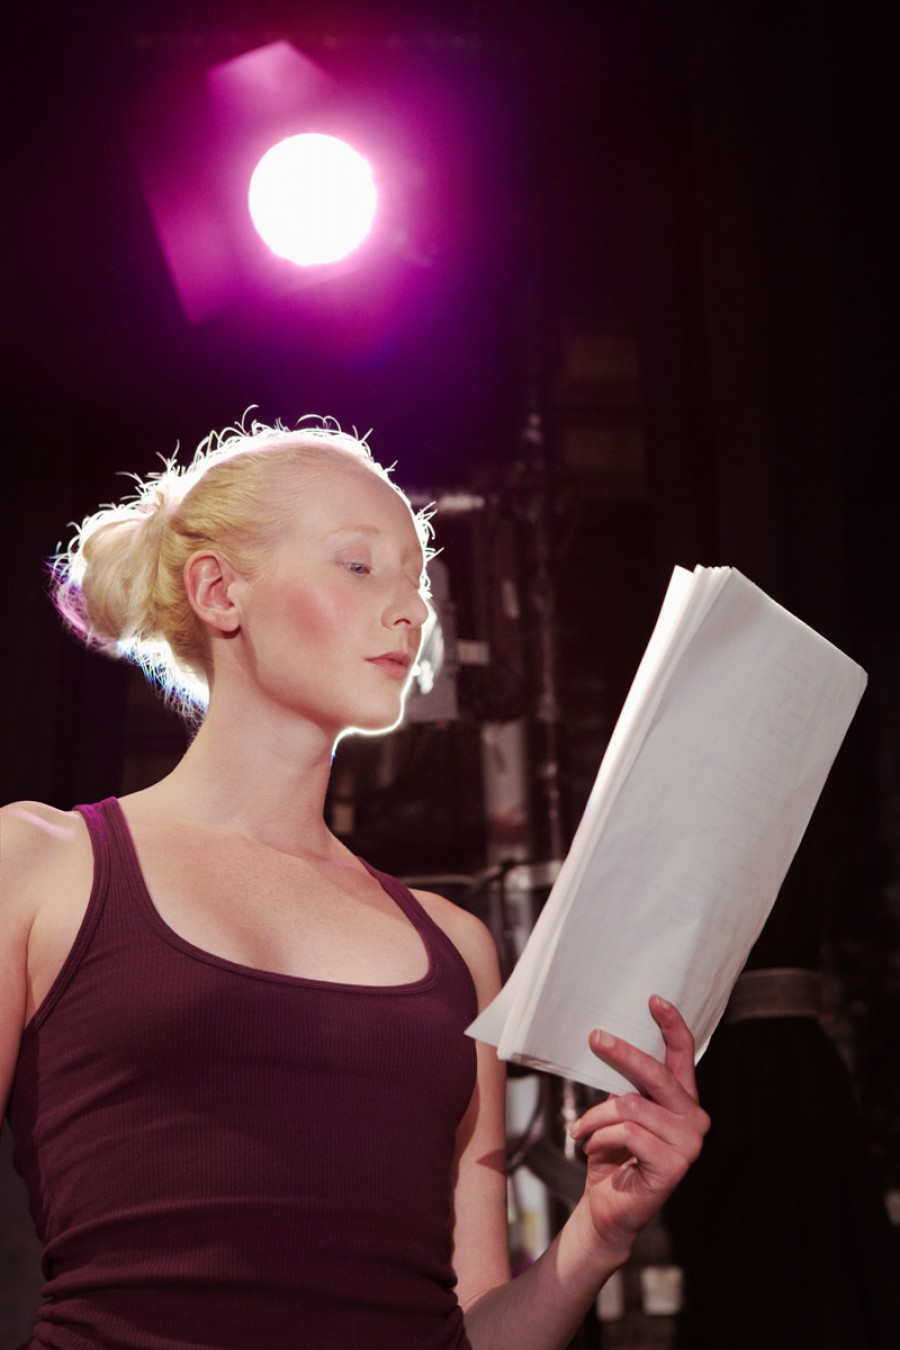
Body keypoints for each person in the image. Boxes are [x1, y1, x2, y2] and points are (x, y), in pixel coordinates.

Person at [1, 418, 709, 1349]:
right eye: (358, 566)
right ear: (219, 591)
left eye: (418, 580)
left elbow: (473, 1329)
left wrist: (597, 1237)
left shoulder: (455, 948)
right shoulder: (42, 864)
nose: (412, 611)